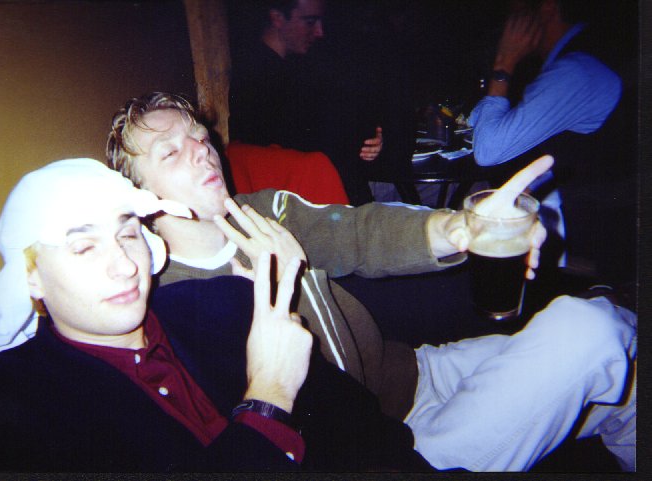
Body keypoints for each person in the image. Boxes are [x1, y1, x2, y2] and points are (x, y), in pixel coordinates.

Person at [105, 92, 637, 471]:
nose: (201, 149)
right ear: (139, 198)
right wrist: (270, 286)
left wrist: (458, 227)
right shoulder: (169, 306)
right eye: (170, 152)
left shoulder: (263, 211)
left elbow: (357, 231)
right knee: (590, 329)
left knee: (629, 369)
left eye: (200, 137)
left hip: (415, 375)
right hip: (387, 451)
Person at [0, 158, 427, 472]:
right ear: (31, 278)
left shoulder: (227, 305)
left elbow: (365, 431)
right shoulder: (13, 410)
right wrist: (268, 396)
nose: (125, 265)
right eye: (84, 247)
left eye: (128, 234)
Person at [468, 0, 636, 286]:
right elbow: (478, 123)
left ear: (546, 10)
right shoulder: (579, 57)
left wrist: (504, 62)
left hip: (598, 248)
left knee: (478, 210)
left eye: (515, 14)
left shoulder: (576, 71)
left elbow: (487, 150)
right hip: (592, 217)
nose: (506, 25)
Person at [227, 0, 384, 206]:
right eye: (310, 22)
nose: (319, 32)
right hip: (290, 202)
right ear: (277, 18)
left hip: (325, 190)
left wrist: (368, 142)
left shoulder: (301, 65)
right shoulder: (255, 74)